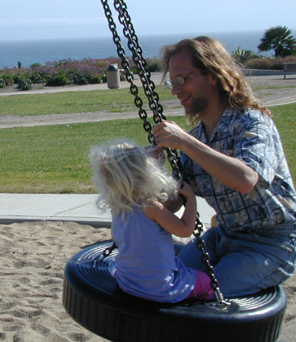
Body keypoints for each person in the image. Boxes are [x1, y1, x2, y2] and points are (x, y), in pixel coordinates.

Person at [152, 36, 296, 297]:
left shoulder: (252, 123)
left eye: (183, 79)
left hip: (271, 242)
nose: (176, 90)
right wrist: (142, 176)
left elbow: (245, 179)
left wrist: (186, 142)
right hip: (223, 235)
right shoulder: (198, 137)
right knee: (169, 285)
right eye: (173, 82)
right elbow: (174, 201)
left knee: (208, 299)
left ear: (213, 75)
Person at [90, 139, 213, 302]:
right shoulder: (151, 206)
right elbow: (185, 230)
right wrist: (191, 200)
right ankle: (206, 307)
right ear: (145, 171)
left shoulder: (118, 206)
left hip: (127, 282)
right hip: (160, 287)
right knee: (207, 282)